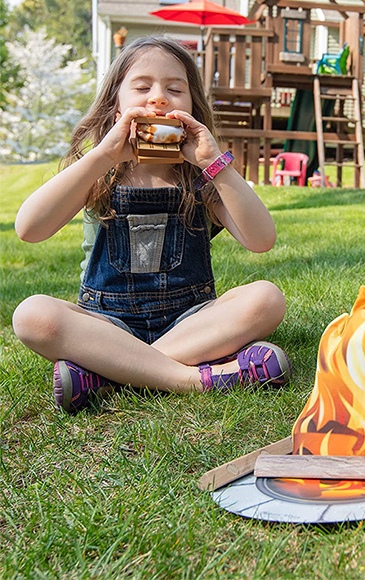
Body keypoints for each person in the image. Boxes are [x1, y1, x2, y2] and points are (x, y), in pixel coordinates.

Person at [12, 36, 291, 413]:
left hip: (191, 324)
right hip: (107, 326)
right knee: (31, 315)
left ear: (193, 107)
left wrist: (215, 163)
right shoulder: (99, 176)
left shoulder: (204, 180)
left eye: (175, 89)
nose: (158, 97)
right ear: (116, 106)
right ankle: (194, 380)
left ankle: (108, 375)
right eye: (142, 87)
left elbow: (262, 239)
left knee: (267, 299)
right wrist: (103, 155)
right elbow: (29, 228)